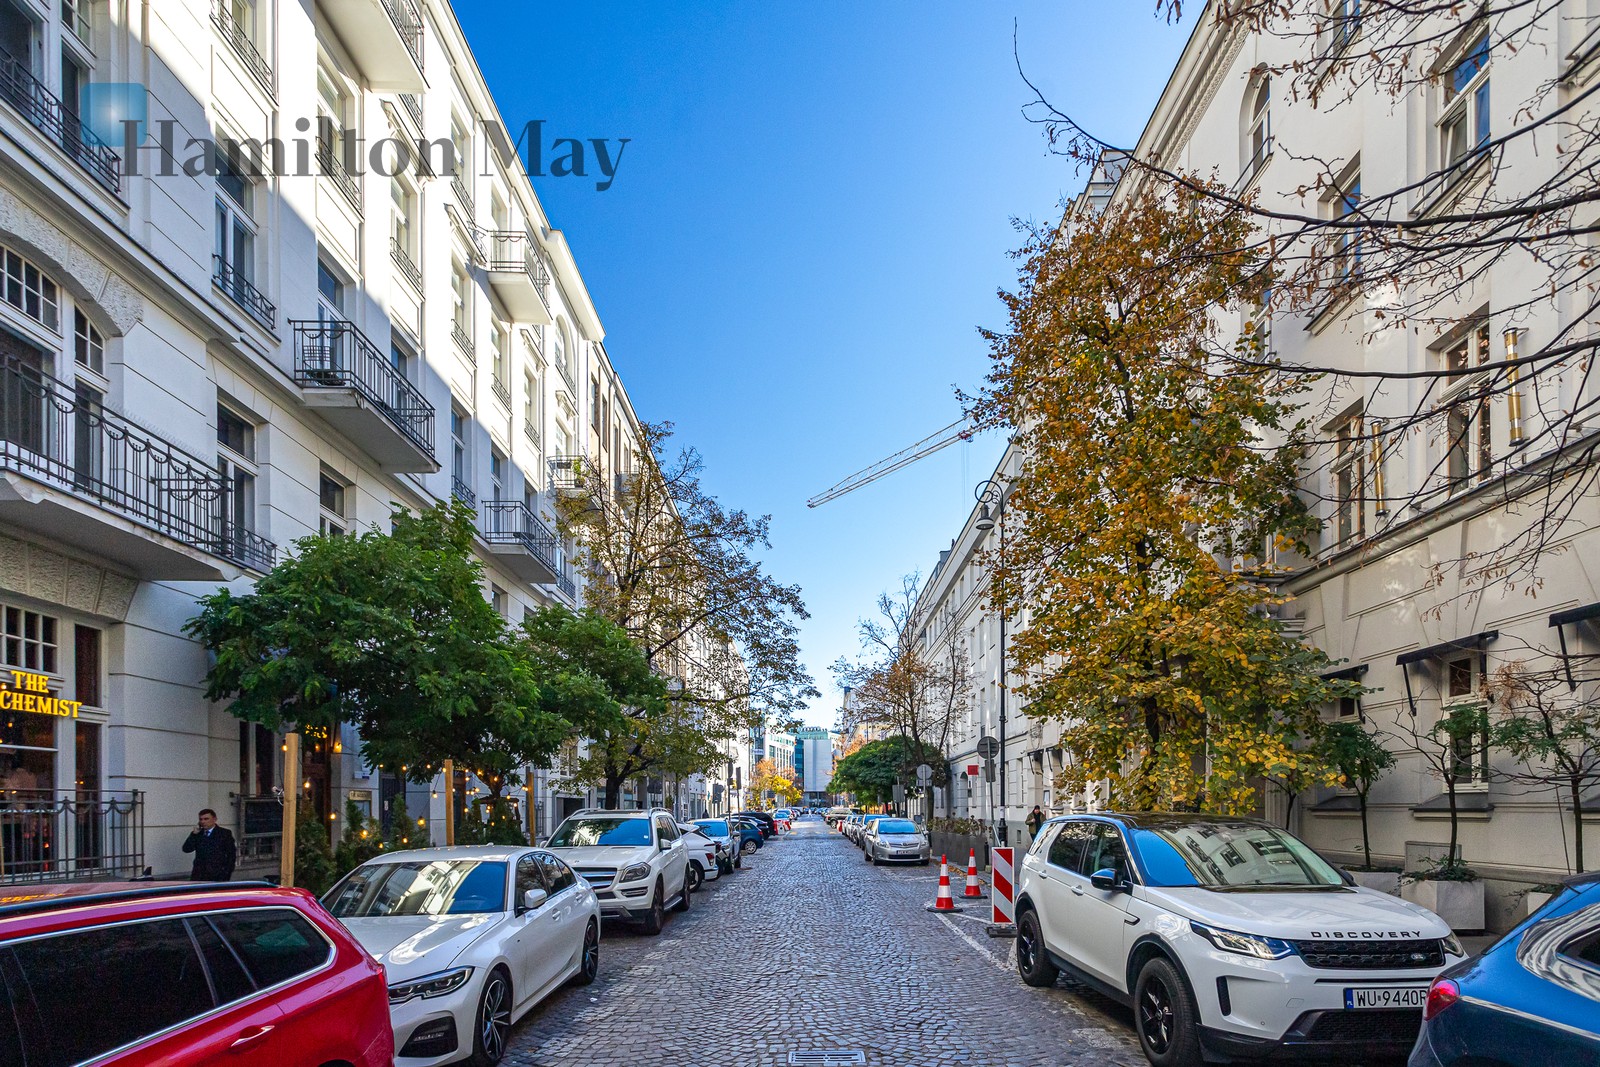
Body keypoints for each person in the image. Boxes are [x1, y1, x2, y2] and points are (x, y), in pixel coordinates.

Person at [182, 808, 236, 882]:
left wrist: (227, 872)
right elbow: (186, 849)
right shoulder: (198, 834)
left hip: (218, 874)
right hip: (199, 874)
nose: (203, 822)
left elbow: (231, 854)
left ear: (214, 819)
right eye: (201, 819)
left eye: (206, 819)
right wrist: (193, 835)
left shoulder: (224, 833)